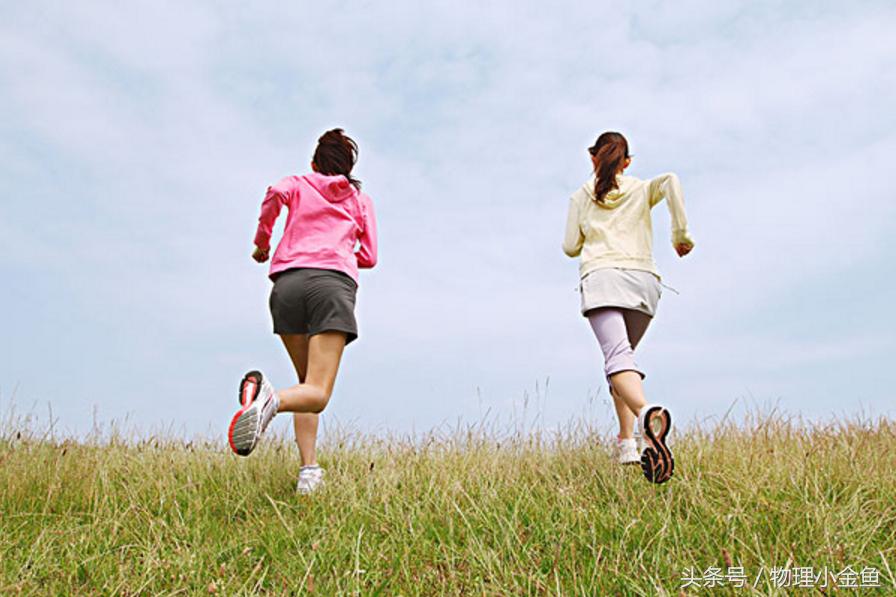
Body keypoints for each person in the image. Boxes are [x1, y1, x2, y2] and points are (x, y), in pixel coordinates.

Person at [228, 128, 378, 494]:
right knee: (319, 393)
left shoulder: (297, 183)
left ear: (313, 163)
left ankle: (308, 472)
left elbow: (273, 193)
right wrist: (339, 252)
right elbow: (370, 256)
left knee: (306, 385)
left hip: (287, 287)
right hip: (331, 287)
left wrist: (262, 242)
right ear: (348, 168)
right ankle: (270, 400)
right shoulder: (359, 200)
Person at [562, 131, 694, 483]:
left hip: (604, 279)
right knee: (623, 362)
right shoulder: (640, 188)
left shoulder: (580, 197)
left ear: (592, 158)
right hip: (644, 284)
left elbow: (570, 246)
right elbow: (670, 181)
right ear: (627, 162)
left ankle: (644, 412)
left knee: (617, 358)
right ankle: (627, 444)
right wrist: (680, 235)